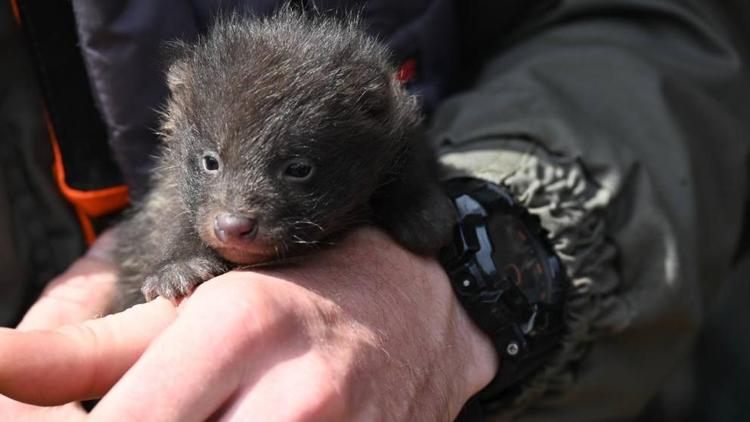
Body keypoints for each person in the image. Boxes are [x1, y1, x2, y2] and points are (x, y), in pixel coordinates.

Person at [1, 0, 749, 421]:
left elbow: (657, 29)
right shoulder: (200, 131)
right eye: (212, 168)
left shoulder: (379, 129)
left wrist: (480, 277)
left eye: (294, 169)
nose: (233, 220)